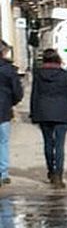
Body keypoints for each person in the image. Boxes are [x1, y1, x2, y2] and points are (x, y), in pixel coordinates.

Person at [30, 49, 67, 188]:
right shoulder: (65, 75)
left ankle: (51, 171)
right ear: (58, 59)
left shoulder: (38, 75)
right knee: (59, 145)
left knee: (48, 143)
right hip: (62, 113)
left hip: (43, 112)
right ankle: (58, 176)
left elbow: (34, 94)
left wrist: (33, 113)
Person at [0, 43, 24, 186]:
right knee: (3, 142)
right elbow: (17, 91)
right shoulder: (8, 70)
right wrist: (12, 103)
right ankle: (3, 173)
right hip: (3, 109)